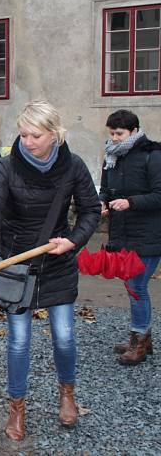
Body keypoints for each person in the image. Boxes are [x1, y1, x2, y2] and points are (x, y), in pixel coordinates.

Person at [0, 100, 100, 441]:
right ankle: (16, 407)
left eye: (35, 135)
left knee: (64, 336)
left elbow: (91, 210)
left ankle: (67, 394)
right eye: (23, 134)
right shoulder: (7, 166)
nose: (28, 141)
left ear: (54, 134)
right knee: (19, 342)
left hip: (57, 261)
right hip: (15, 265)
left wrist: (74, 241)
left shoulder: (74, 166)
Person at [99, 109, 161, 366]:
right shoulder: (111, 156)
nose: (114, 138)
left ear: (134, 131)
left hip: (149, 234)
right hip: (123, 233)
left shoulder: (153, 156)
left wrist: (130, 202)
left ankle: (141, 341)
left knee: (137, 286)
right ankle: (139, 336)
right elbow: (105, 188)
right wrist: (103, 202)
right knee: (131, 285)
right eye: (111, 133)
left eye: (119, 133)